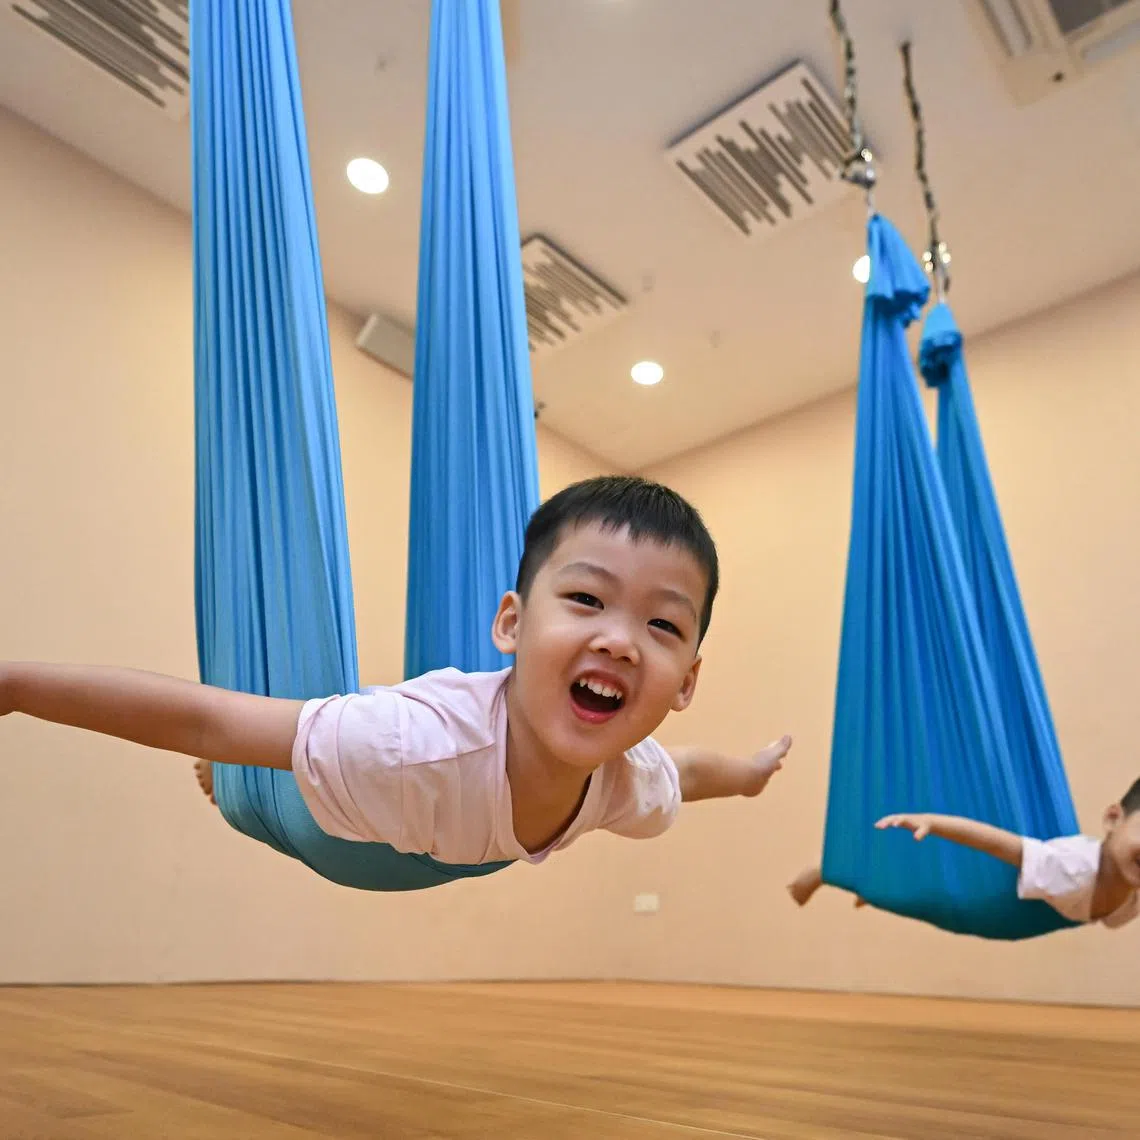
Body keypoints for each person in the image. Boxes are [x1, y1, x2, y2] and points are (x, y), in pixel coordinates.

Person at [0, 476, 791, 868]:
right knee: (262, 751)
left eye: (661, 625)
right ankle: (248, 780)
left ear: (686, 680)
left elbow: (687, 769)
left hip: (440, 834)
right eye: (587, 598)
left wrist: (752, 773)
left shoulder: (628, 781)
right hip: (341, 825)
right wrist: (17, 687)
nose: (620, 641)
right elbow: (207, 718)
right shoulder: (403, 742)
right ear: (511, 623)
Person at [787, 783, 1140, 928]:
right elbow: (997, 843)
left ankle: (877, 885)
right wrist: (932, 822)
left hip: (1022, 910)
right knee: (930, 896)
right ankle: (830, 869)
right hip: (991, 902)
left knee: (917, 893)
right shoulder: (1074, 867)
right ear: (1113, 819)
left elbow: (1111, 919)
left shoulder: (1131, 883)